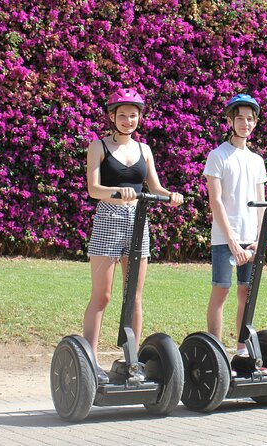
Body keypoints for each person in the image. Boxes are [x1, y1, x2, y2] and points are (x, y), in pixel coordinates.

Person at [84, 87, 183, 383]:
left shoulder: (144, 150)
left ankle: (133, 361)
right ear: (112, 116)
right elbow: (93, 189)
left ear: (140, 118)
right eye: (123, 115)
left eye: (134, 115)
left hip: (138, 222)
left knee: (135, 298)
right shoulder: (98, 146)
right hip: (108, 221)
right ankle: (88, 358)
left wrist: (171, 195)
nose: (129, 120)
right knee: (102, 296)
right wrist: (118, 193)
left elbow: (155, 188)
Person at [203, 93, 267, 362]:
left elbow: (262, 202)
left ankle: (242, 349)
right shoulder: (218, 156)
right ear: (230, 120)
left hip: (250, 239)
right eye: (240, 118)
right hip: (224, 238)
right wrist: (231, 241)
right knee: (222, 290)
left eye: (250, 119)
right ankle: (215, 350)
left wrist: (258, 240)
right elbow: (215, 201)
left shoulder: (257, 160)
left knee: (246, 292)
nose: (245, 124)